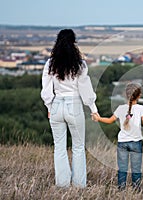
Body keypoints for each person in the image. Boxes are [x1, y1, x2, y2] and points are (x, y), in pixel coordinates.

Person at [41, 29, 98, 188]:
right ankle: (79, 185)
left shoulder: (50, 63)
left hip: (56, 105)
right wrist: (93, 109)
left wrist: (49, 106)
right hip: (74, 105)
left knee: (59, 147)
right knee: (78, 147)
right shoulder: (80, 64)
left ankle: (63, 184)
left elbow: (46, 90)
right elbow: (85, 90)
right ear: (74, 43)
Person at [92, 82, 143, 191]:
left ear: (126, 95)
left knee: (122, 168)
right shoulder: (141, 108)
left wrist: (99, 118)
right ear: (139, 95)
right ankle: (136, 189)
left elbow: (110, 120)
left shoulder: (120, 108)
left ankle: (121, 189)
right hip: (136, 143)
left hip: (122, 143)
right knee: (136, 168)